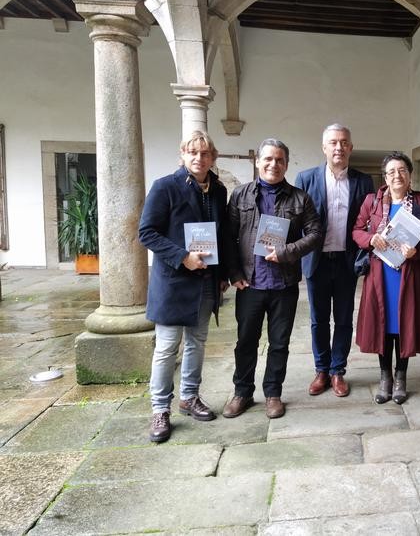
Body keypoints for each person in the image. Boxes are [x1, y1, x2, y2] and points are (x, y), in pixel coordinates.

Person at [138, 131, 229, 443]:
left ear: (212, 158)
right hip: (174, 282)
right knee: (166, 348)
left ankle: (189, 398)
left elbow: (223, 235)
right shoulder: (165, 187)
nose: (198, 158)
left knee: (197, 342)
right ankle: (160, 409)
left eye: (204, 154)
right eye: (192, 152)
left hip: (205, 282)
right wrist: (183, 257)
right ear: (183, 154)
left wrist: (224, 274)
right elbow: (146, 232)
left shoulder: (218, 190)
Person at [222, 138, 321, 419]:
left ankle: (273, 393)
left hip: (284, 284)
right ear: (258, 161)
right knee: (245, 342)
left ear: (286, 164)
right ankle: (242, 392)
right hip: (249, 284)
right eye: (268, 159)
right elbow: (228, 237)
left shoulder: (300, 198)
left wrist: (286, 252)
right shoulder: (240, 195)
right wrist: (234, 273)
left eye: (279, 160)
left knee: (279, 343)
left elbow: (315, 234)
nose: (273, 164)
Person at [294, 124, 374, 397]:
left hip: (346, 261)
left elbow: (368, 223)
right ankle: (321, 370)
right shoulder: (305, 178)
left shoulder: (364, 182)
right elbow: (297, 221)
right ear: (324, 147)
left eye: (343, 142)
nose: (338, 147)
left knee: (343, 319)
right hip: (316, 260)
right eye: (333, 142)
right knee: (318, 319)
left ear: (350, 147)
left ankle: (337, 371)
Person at [352, 152, 420, 404]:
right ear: (385, 177)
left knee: (404, 323)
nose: (397, 176)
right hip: (380, 274)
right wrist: (370, 239)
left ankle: (401, 376)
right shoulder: (372, 202)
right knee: (383, 324)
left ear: (410, 174)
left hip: (409, 274)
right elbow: (356, 230)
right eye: (391, 172)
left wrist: (417, 251)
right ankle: (385, 376)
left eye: (402, 171)